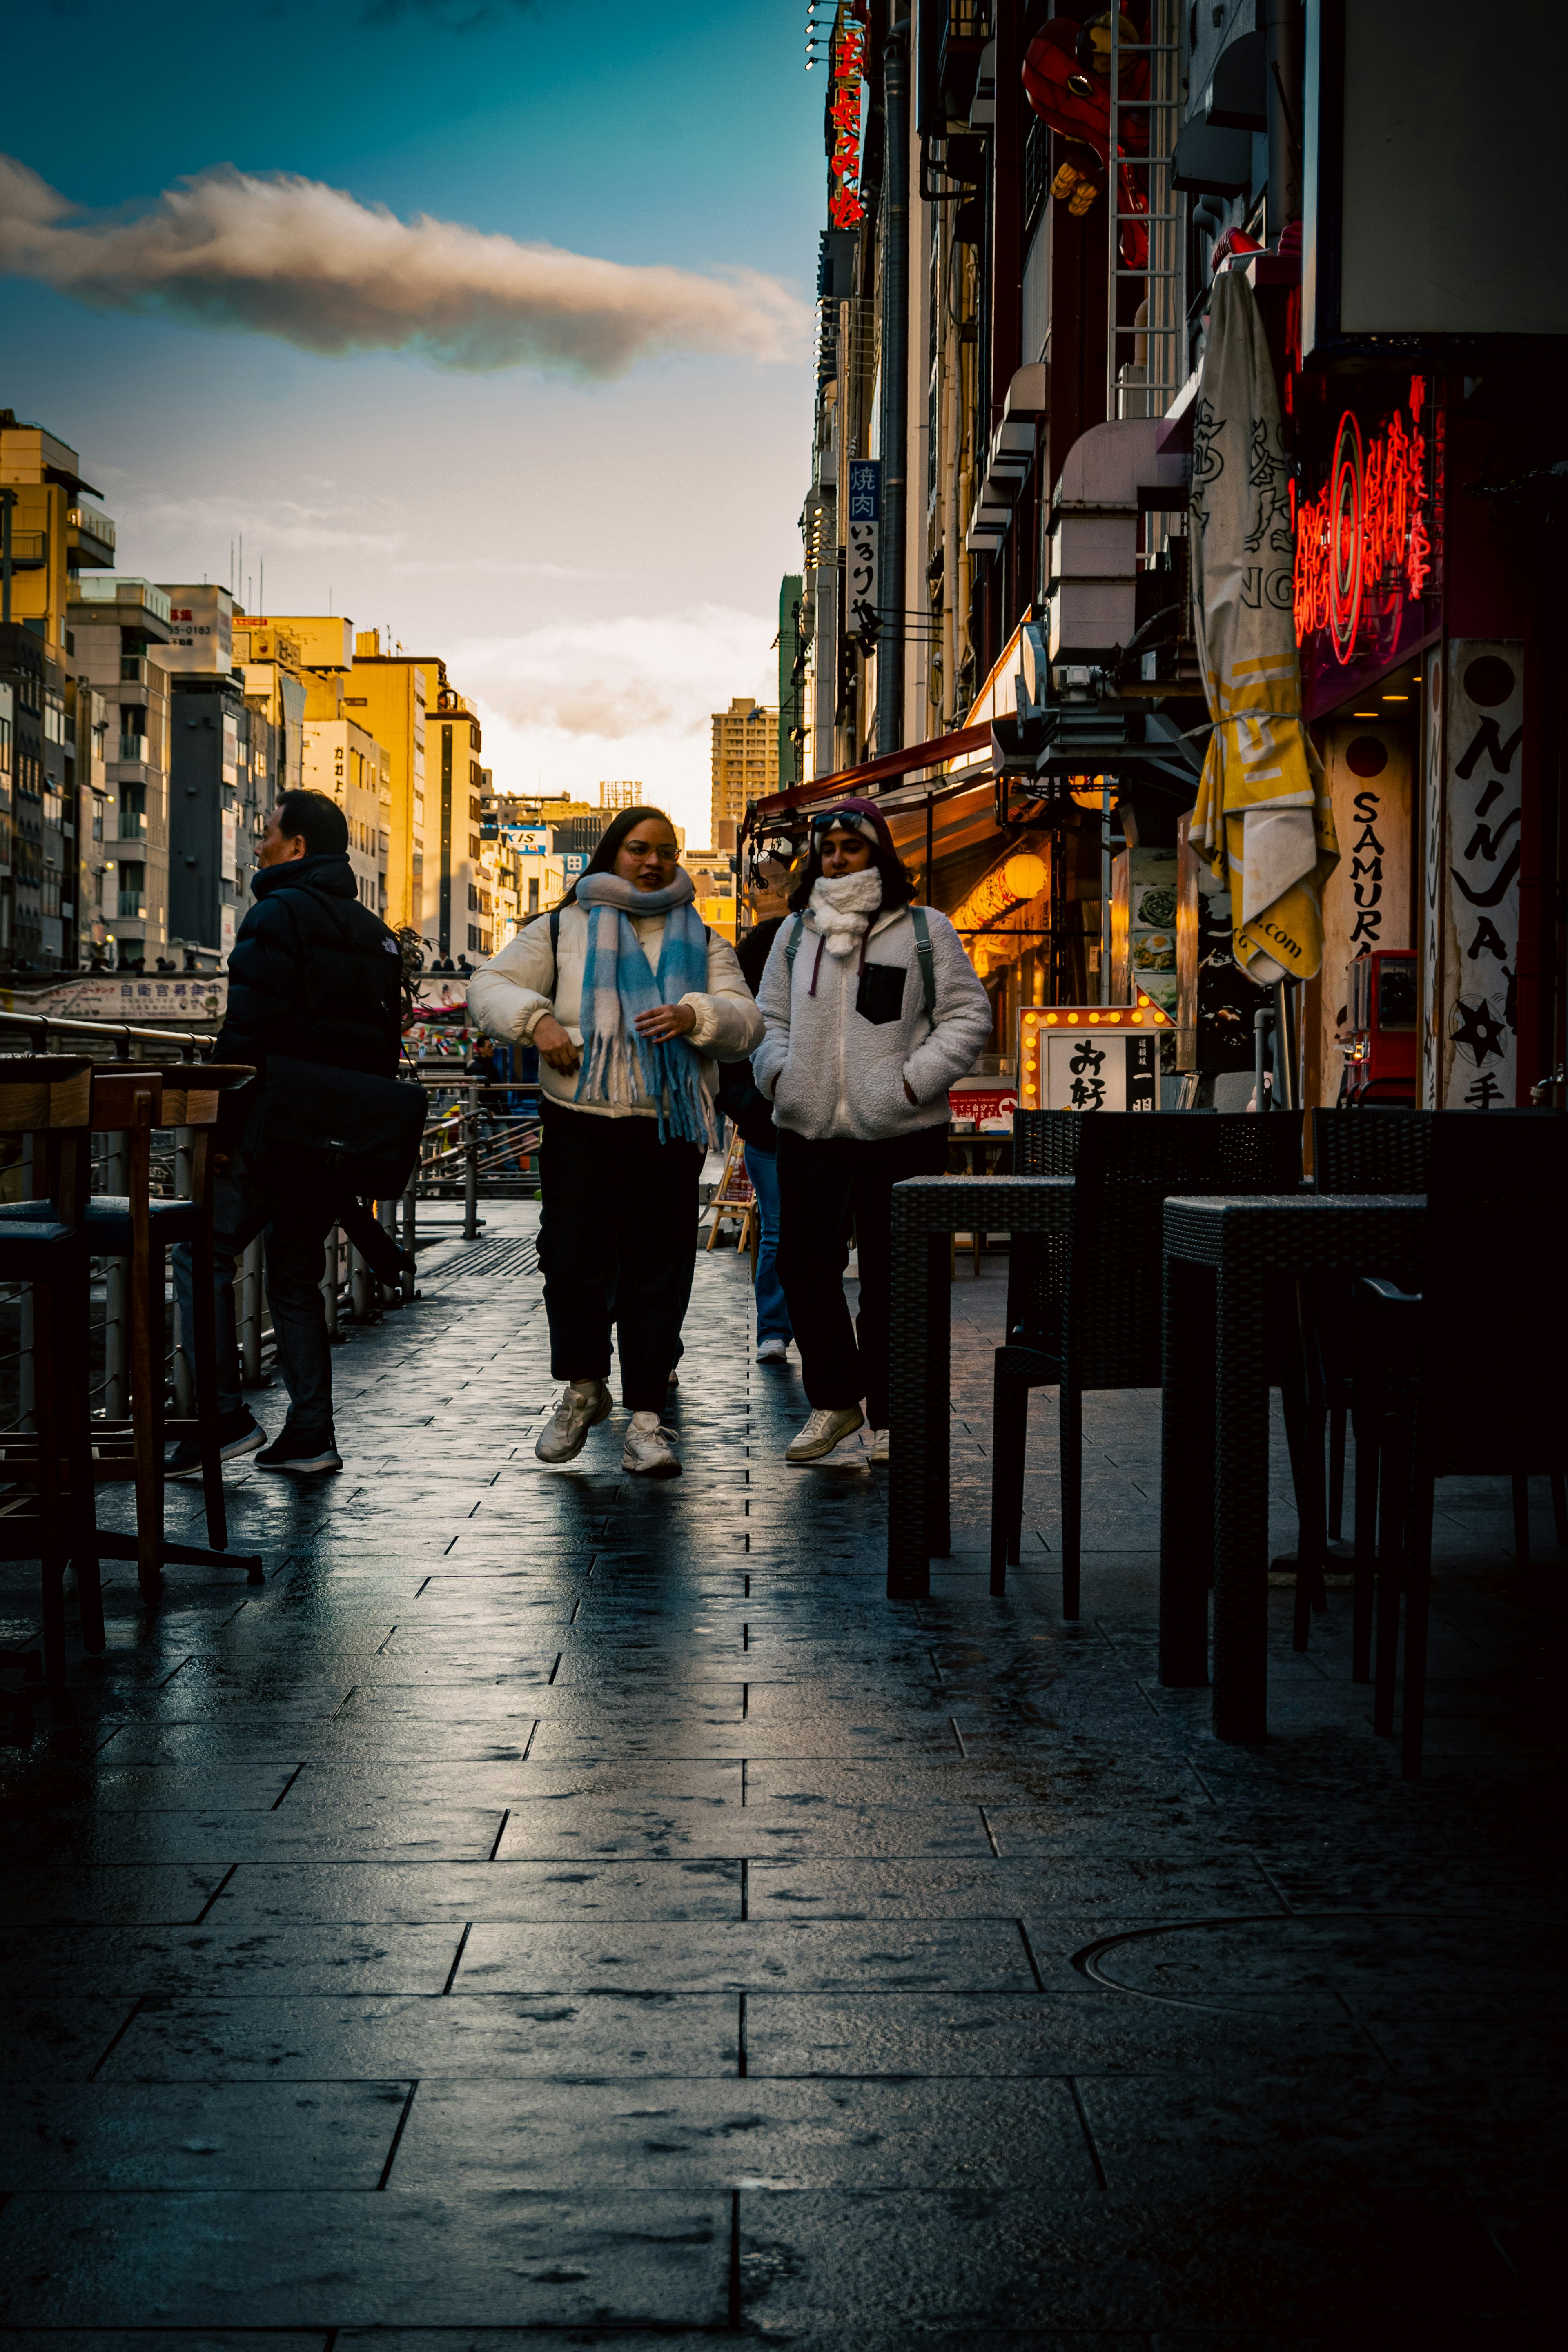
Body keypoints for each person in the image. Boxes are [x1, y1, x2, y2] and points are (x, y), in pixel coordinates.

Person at [468, 805, 763, 1478]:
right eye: (639, 849)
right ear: (611, 854)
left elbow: (748, 1022)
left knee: (658, 1272)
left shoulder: (705, 940)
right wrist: (537, 1020)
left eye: (667, 850)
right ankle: (582, 1389)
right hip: (578, 1120)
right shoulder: (561, 926)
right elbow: (487, 986)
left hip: (667, 1127)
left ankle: (648, 1420)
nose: (654, 862)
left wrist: (698, 1014)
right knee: (570, 1261)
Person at [167, 787, 403, 1477]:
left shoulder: (276, 914)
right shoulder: (374, 930)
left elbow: (249, 1032)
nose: (257, 844)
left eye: (266, 834)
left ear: (296, 847)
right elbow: (377, 1046)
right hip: (334, 1135)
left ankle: (219, 1418)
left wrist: (221, 1128)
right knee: (295, 1275)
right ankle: (309, 1434)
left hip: (275, 1124)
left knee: (200, 1252)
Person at [753, 797, 992, 1466]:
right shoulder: (796, 935)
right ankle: (836, 1402)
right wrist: (779, 1075)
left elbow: (969, 1016)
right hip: (810, 1127)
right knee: (802, 1267)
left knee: (897, 1279)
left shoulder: (925, 930)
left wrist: (912, 1083)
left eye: (850, 847)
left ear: (878, 853)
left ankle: (891, 1416)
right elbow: (768, 1016)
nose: (836, 859)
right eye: (826, 850)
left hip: (903, 1131)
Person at [717, 864, 794, 1365]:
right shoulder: (747, 1005)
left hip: (805, 1124)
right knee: (779, 1227)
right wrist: (754, 1108)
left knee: (783, 1228)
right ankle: (774, 1327)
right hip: (769, 1127)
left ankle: (783, 1327)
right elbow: (730, 1069)